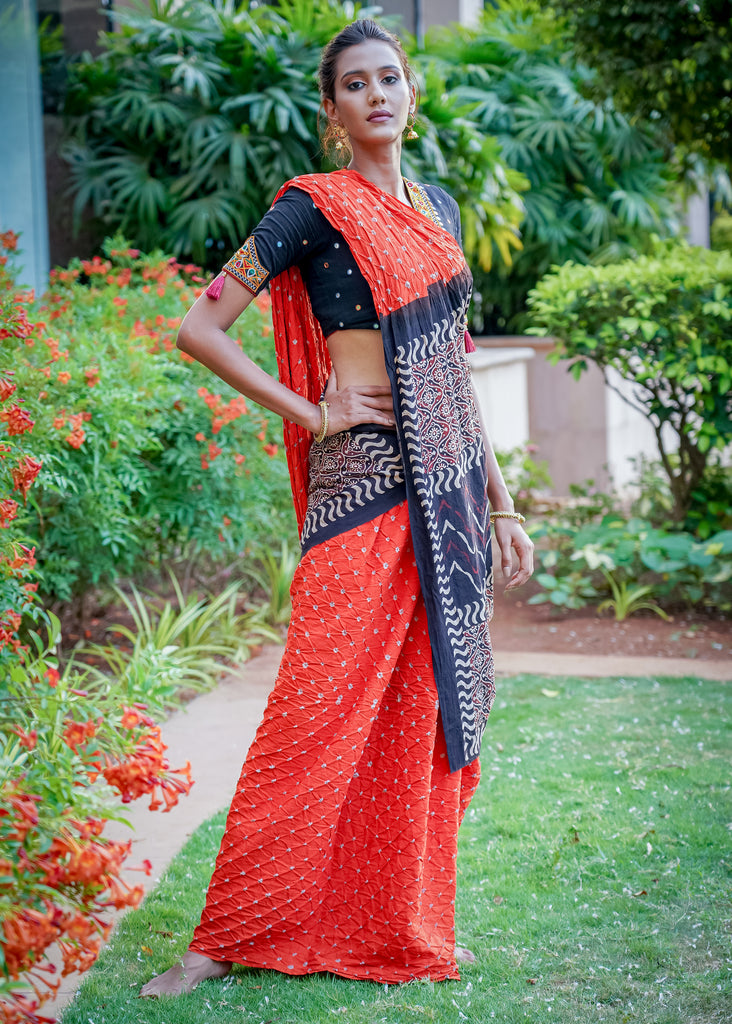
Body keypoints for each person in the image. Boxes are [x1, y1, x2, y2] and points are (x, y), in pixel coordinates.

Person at [140, 18, 533, 998]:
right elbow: (201, 326)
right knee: (309, 710)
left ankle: (400, 919)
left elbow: (453, 375)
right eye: (354, 85)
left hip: (448, 491)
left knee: (421, 711)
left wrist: (506, 504)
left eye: (390, 78)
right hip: (363, 479)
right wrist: (312, 410)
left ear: (412, 91)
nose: (377, 95)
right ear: (332, 109)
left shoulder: (434, 208)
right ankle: (220, 936)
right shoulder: (309, 211)